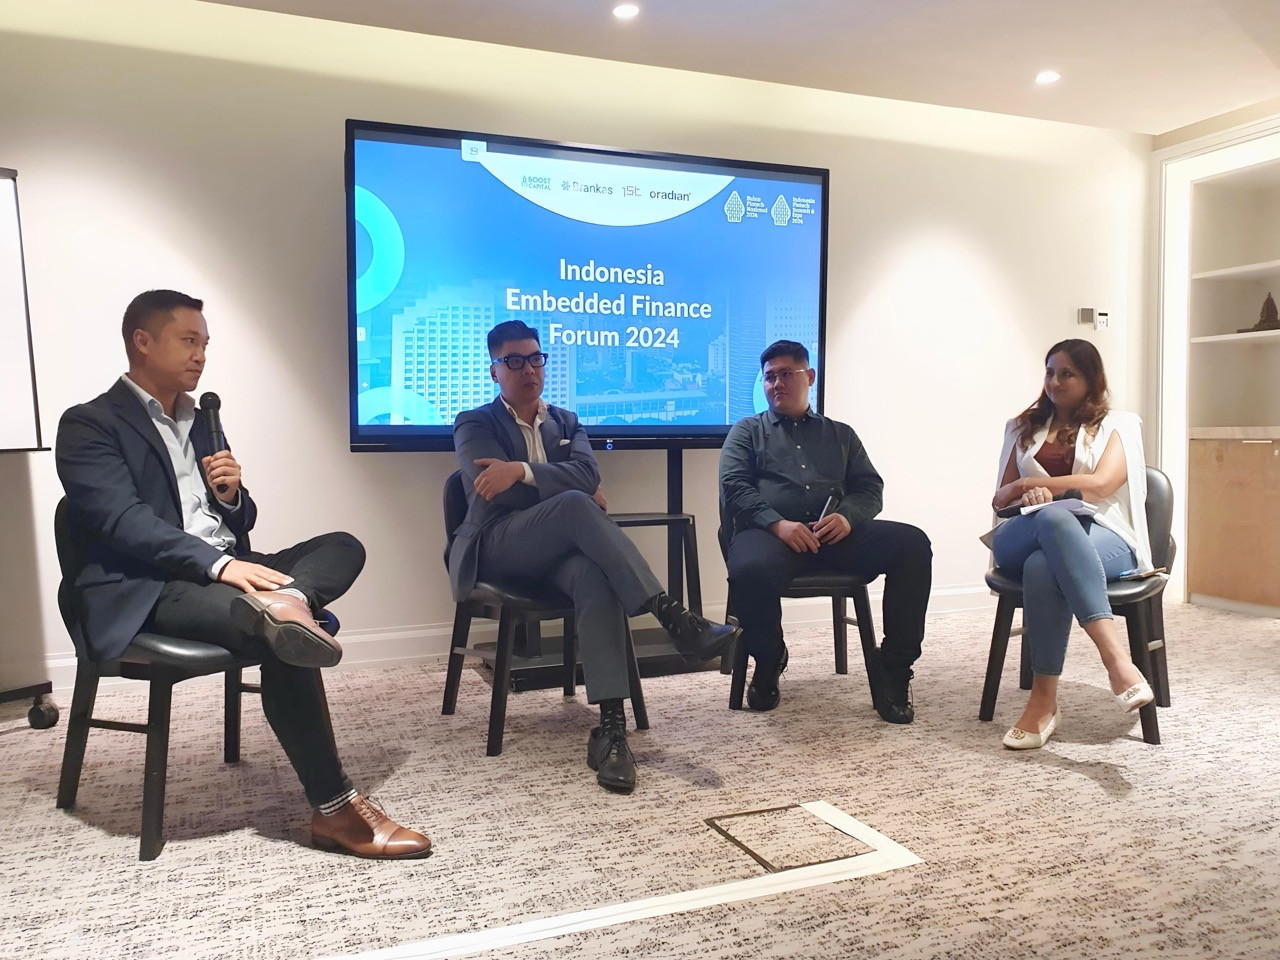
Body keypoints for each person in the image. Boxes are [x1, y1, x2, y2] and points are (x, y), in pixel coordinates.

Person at [55, 289, 432, 858]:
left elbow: (237, 520)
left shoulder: (202, 421)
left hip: (223, 570)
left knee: (342, 545)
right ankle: (336, 810)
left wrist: (231, 496)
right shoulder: (89, 425)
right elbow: (123, 523)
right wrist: (221, 564)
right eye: (189, 340)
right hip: (150, 586)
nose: (201, 355)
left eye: (205, 344)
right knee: (279, 637)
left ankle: (291, 604)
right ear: (143, 341)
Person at [450, 320, 739, 794]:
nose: (529, 369)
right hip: (498, 546)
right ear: (494, 371)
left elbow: (587, 473)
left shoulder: (567, 421)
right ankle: (673, 616)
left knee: (594, 575)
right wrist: (559, 484)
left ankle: (611, 730)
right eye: (514, 361)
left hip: (559, 552)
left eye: (536, 358)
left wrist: (520, 471)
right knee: (572, 504)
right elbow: (500, 495)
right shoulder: (474, 423)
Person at [719, 340, 932, 722]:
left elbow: (870, 488)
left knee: (913, 545)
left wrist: (848, 516)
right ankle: (769, 659)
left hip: (834, 536)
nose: (777, 384)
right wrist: (778, 524)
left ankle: (894, 668)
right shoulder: (747, 431)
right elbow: (734, 487)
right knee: (749, 569)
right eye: (769, 377)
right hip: (770, 536)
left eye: (787, 374)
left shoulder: (841, 434)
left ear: (810, 377)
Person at [988, 338, 1156, 750]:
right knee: (1051, 518)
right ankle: (1115, 659)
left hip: (1101, 534)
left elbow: (1101, 485)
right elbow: (1002, 498)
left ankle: (1042, 702)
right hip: (1020, 534)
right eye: (1050, 372)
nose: (1055, 382)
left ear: (1091, 379)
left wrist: (1034, 482)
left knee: (1044, 566)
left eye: (1067, 374)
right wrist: (1026, 493)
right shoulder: (1021, 427)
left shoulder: (1119, 424)